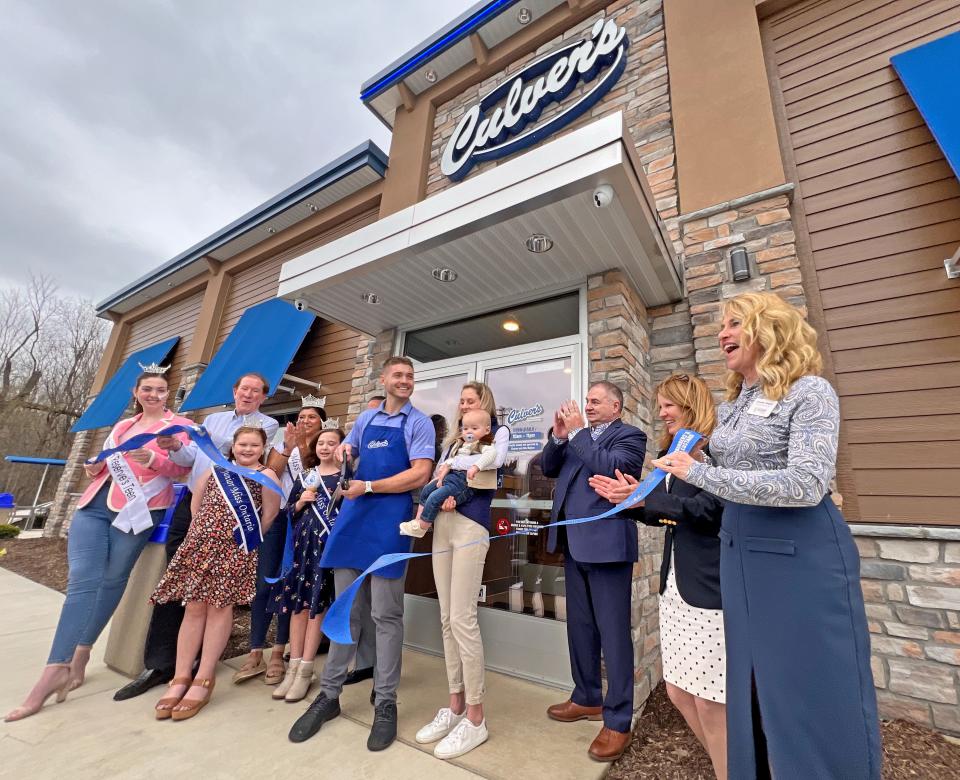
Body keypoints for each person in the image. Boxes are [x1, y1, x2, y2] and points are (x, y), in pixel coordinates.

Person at [654, 292, 881, 779]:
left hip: (798, 554)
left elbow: (807, 483)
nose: (722, 334)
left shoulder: (810, 392)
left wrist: (700, 473)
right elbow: (715, 470)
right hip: (740, 555)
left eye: (734, 323)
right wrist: (646, 491)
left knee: (808, 687)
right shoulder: (738, 401)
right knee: (753, 691)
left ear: (769, 328)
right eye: (721, 326)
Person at [6, 368, 193, 722]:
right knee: (82, 582)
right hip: (94, 506)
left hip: (139, 511)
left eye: (161, 389)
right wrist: (95, 467)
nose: (154, 394)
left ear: (168, 394)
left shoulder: (177, 425)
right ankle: (55, 668)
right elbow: (107, 462)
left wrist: (154, 459)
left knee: (111, 583)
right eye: (148, 388)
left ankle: (81, 653)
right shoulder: (123, 427)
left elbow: (182, 469)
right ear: (136, 391)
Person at [288, 356, 434, 751]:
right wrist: (345, 454)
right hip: (352, 523)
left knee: (385, 615)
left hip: (389, 523)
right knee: (346, 611)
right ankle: (329, 695)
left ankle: (385, 701)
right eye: (398, 375)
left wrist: (368, 486)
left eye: (410, 376)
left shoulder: (418, 423)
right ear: (383, 379)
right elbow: (348, 453)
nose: (404, 381)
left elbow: (420, 474)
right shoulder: (366, 419)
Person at [590, 374, 727, 778]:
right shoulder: (673, 452)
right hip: (674, 589)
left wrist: (646, 498)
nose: (662, 412)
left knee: (711, 703)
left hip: (707, 589)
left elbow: (709, 512)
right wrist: (631, 501)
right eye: (661, 405)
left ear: (691, 404)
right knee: (679, 693)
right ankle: (729, 764)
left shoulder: (715, 452)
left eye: (669, 404)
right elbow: (663, 511)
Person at [113, 372, 278, 701]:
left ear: (263, 396)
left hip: (235, 515)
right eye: (242, 388)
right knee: (180, 584)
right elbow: (191, 459)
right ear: (234, 390)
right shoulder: (211, 419)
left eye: (255, 391)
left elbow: (237, 451)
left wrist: (197, 436)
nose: (247, 394)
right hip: (195, 505)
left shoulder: (266, 425)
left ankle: (204, 667)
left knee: (219, 598)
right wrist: (175, 446)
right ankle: (163, 664)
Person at [541, 381, 647, 762]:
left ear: (616, 407)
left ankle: (618, 720)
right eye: (586, 401)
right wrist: (557, 437)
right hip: (574, 544)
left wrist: (579, 434)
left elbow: (614, 469)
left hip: (607, 547)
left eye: (595, 401)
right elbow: (550, 468)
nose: (588, 405)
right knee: (580, 627)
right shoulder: (576, 437)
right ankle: (586, 697)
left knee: (613, 635)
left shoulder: (630, 436)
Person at [151, 424, 281, 720]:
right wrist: (206, 534)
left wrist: (244, 542)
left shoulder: (267, 476)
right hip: (201, 546)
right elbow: (197, 504)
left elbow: (270, 514)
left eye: (254, 445)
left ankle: (204, 677)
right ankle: (181, 676)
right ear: (233, 446)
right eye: (242, 444)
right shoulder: (214, 470)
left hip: (236, 550)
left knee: (220, 609)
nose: (247, 450)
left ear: (263, 449)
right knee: (194, 608)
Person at [413, 381, 509, 760]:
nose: (463, 405)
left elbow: (495, 464)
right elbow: (438, 476)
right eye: (461, 401)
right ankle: (454, 706)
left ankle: (476, 716)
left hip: (471, 525)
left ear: (484, 405)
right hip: (444, 527)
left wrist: (456, 469)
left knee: (463, 617)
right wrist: (443, 480)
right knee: (446, 618)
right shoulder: (453, 442)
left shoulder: (494, 434)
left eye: (471, 400)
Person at [231, 395, 328, 687]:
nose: (305, 421)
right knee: (264, 585)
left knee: (290, 588)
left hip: (306, 525)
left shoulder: (325, 449)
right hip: (277, 520)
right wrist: (288, 446)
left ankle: (279, 652)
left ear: (323, 422)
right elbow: (271, 472)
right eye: (301, 416)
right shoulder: (284, 448)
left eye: (312, 417)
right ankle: (255, 650)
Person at [268, 423, 344, 703]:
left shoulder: (345, 480)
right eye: (322, 443)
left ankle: (307, 668)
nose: (326, 447)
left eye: (332, 442)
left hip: (325, 551)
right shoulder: (307, 476)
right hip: (301, 548)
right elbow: (287, 512)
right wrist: (300, 502)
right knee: (298, 608)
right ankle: (294, 665)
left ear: (342, 448)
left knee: (315, 609)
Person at [341, 394, 387, 691]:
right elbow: (342, 458)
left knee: (383, 606)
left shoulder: (402, 434)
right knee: (359, 600)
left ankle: (383, 676)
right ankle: (365, 662)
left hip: (385, 520)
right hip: (357, 519)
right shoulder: (358, 434)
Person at [399, 408, 497, 538]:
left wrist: (476, 467)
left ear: (486, 430)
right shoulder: (460, 445)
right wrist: (443, 472)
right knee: (427, 490)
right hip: (451, 478)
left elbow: (492, 455)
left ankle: (423, 526)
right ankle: (417, 521)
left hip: (463, 484)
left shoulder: (482, 445)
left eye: (474, 428)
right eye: (465, 428)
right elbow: (452, 460)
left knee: (435, 497)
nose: (469, 432)